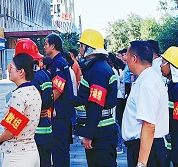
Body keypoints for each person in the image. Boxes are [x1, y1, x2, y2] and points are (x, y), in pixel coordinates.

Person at [70, 29, 118, 167]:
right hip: (100, 131)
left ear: (88, 48)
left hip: (100, 133)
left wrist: (88, 134)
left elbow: (96, 105)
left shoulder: (98, 71)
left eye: (81, 45)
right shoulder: (97, 68)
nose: (80, 49)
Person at [122, 40, 169, 167]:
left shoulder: (146, 84)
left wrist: (142, 163)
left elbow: (149, 125)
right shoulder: (147, 79)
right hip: (146, 146)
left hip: (146, 148)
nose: (125, 58)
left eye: (127, 55)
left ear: (134, 58)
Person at [0, 53, 41, 167]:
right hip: (32, 150)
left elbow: (11, 131)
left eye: (11, 67)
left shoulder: (19, 95)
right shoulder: (34, 90)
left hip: (16, 156)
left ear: (21, 72)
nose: (8, 70)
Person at [15, 39, 54, 167]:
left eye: (14, 65)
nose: (10, 68)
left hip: (34, 134)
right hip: (46, 129)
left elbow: (14, 125)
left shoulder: (26, 86)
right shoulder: (44, 74)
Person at [43, 33, 75, 167]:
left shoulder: (58, 64)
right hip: (61, 113)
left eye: (46, 44)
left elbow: (58, 89)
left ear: (53, 46)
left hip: (60, 114)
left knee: (59, 150)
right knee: (59, 149)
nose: (44, 47)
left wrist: (44, 106)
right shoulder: (57, 62)